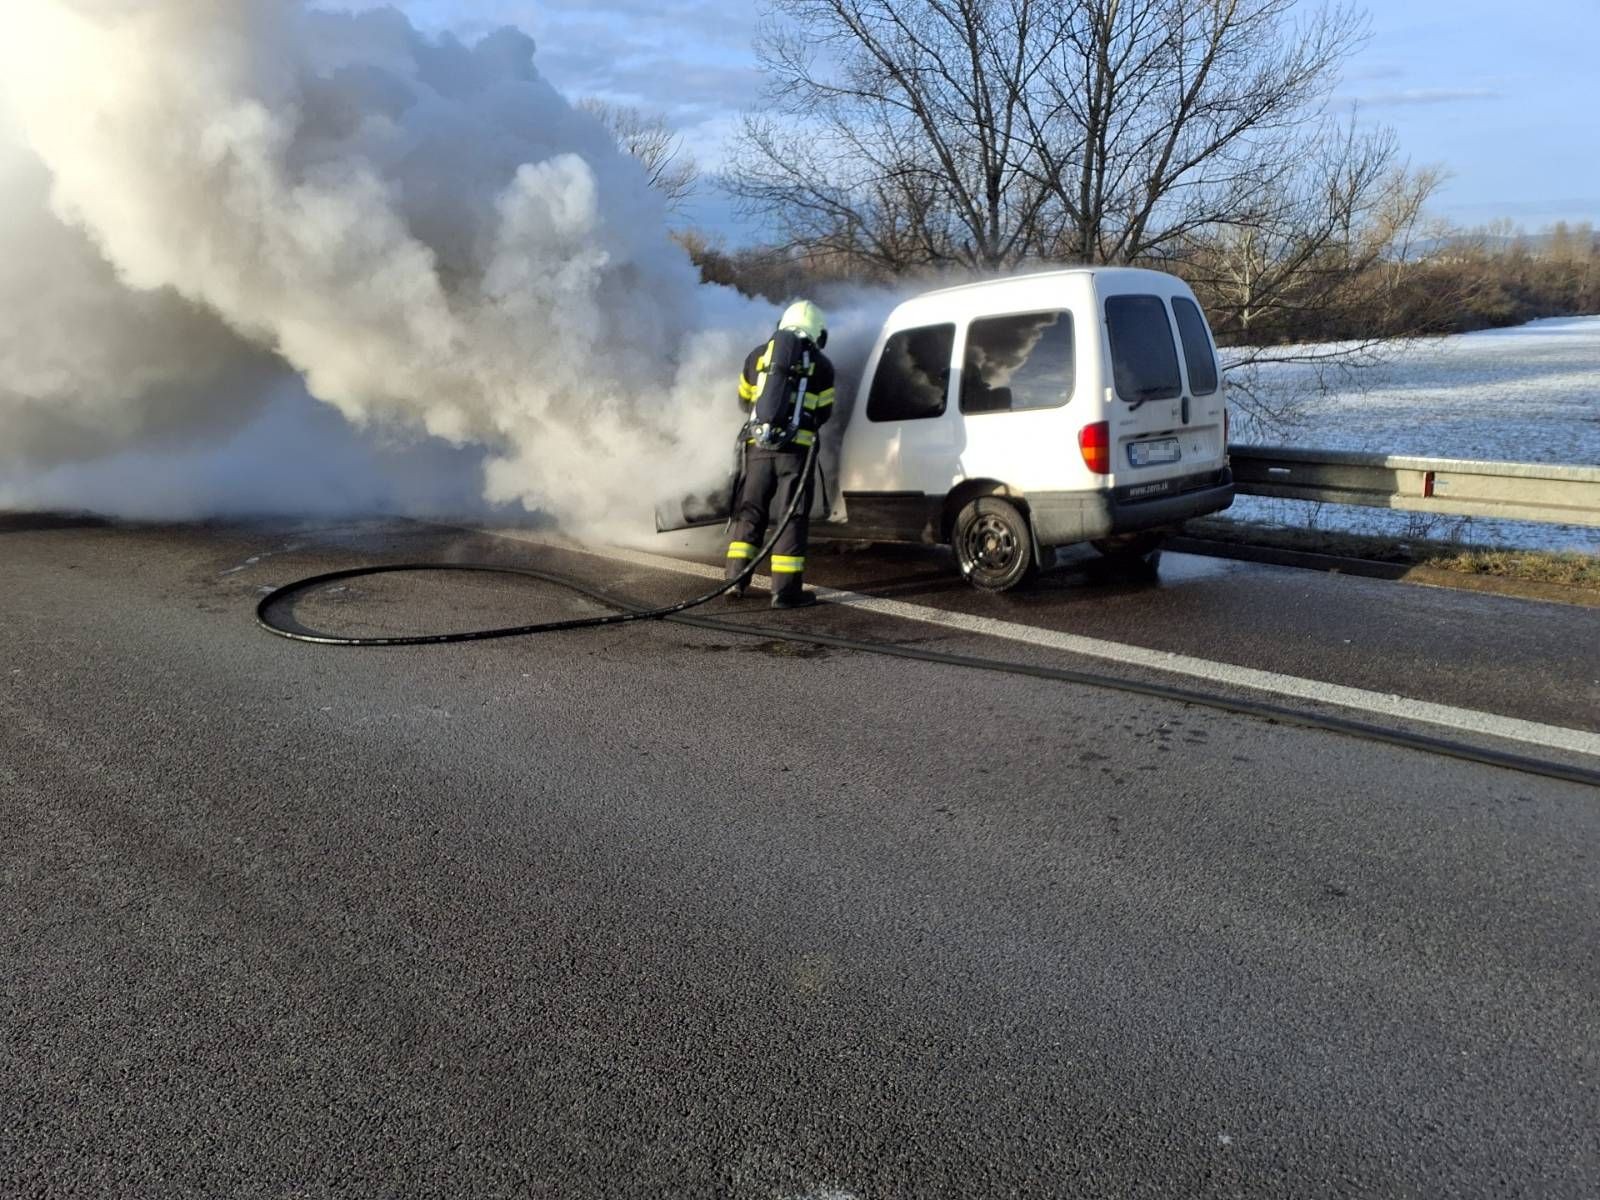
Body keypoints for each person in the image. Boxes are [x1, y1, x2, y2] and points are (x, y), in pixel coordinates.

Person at [725, 300, 836, 609]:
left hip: (757, 448)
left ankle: (735, 581)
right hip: (795, 454)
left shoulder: (757, 356)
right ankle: (785, 592)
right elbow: (824, 412)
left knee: (751, 510)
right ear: (818, 332)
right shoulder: (822, 365)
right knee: (791, 516)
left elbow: (745, 401)